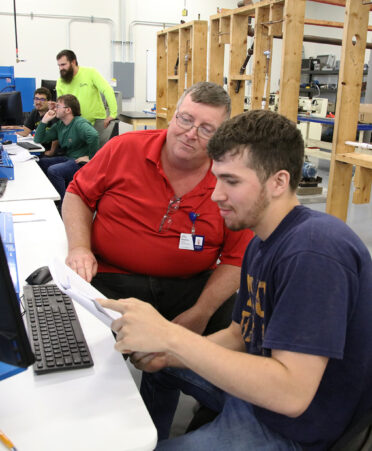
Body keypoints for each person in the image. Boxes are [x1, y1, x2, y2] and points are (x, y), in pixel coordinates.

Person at [98, 109, 372, 450]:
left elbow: (292, 395)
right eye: (216, 179)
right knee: (162, 367)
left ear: (278, 182)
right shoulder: (260, 242)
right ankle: (150, 435)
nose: (215, 195)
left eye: (231, 181)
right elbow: (240, 334)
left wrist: (171, 337)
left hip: (296, 428)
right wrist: (167, 354)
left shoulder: (314, 252)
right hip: (261, 396)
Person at [62, 82, 253, 337]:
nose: (191, 133)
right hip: (112, 279)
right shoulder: (124, 148)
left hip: (190, 289)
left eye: (207, 129)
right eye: (185, 119)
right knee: (74, 339)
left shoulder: (230, 179)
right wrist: (79, 248)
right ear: (173, 115)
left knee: (238, 339)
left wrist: (201, 313)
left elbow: (237, 257)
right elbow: (78, 194)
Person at [34, 94, 99, 202]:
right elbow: (38, 139)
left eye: (58, 106)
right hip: (69, 158)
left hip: (80, 162)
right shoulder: (60, 125)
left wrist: (92, 159)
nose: (55, 108)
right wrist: (45, 120)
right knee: (40, 163)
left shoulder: (79, 123)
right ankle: (51, 198)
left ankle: (63, 205)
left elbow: (94, 135)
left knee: (54, 171)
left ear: (68, 110)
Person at [55, 49, 117, 147]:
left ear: (73, 62)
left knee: (96, 154)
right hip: (75, 124)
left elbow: (107, 90)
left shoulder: (90, 73)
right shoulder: (60, 82)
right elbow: (60, 105)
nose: (61, 68)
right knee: (79, 156)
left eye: (63, 64)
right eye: (59, 65)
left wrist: (113, 114)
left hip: (97, 122)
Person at [2, 87, 58, 153]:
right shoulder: (34, 112)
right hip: (40, 147)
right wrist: (9, 127)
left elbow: (56, 136)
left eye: (42, 99)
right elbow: (25, 132)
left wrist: (52, 152)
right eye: (36, 98)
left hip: (49, 151)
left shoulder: (53, 114)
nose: (38, 102)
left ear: (49, 101)